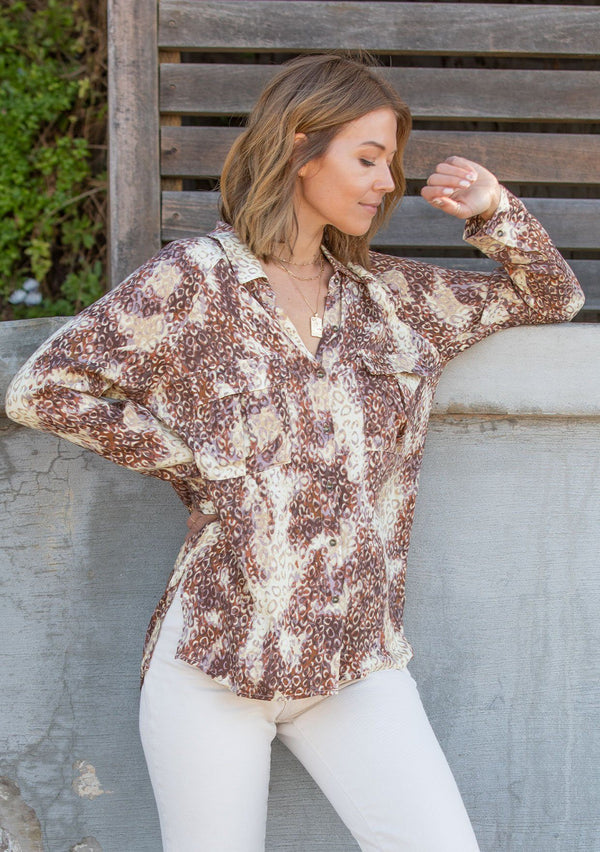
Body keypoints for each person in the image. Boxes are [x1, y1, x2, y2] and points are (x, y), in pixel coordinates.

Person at [5, 52, 584, 852]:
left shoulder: (387, 299)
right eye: (368, 158)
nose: (386, 182)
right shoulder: (193, 281)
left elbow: (552, 296)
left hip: (355, 655)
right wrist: (196, 466)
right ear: (300, 148)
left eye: (392, 163)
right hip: (216, 655)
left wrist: (493, 209)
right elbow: (43, 388)